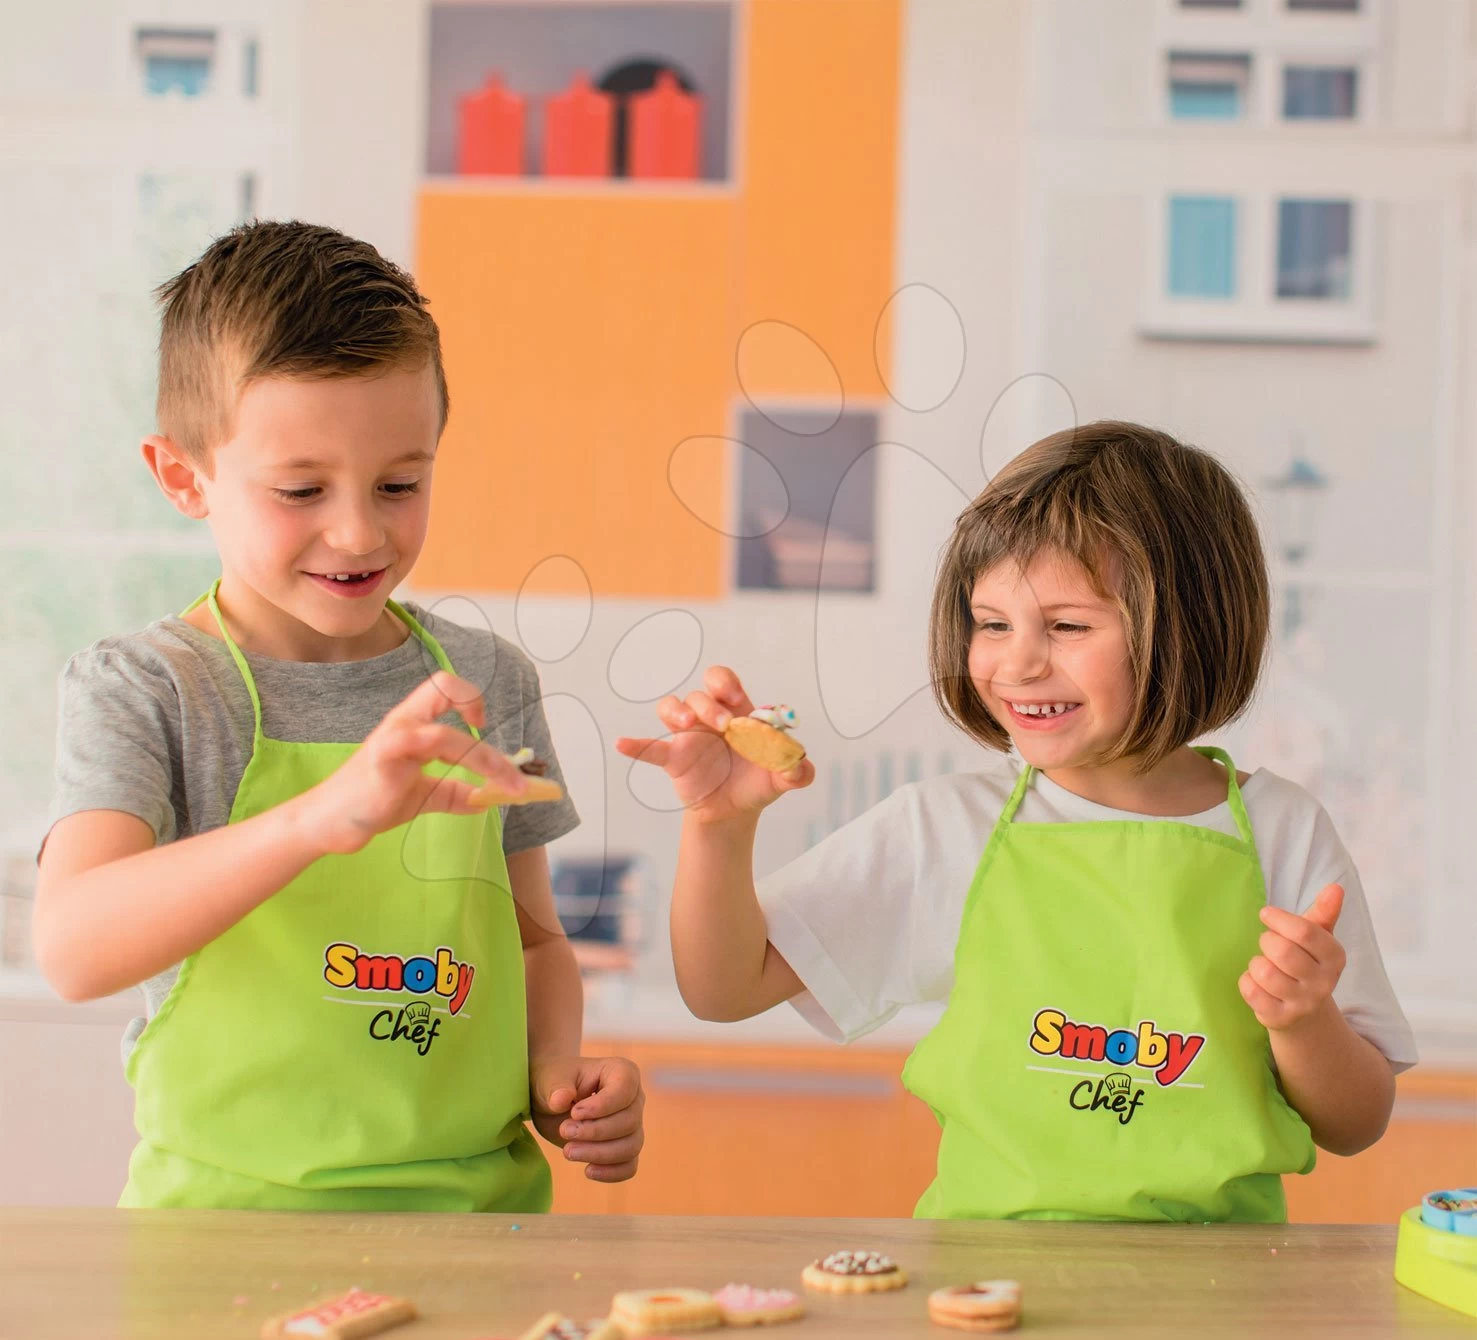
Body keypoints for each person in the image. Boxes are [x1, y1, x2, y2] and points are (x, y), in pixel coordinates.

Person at [621, 421, 1414, 1221]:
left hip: (1222, 1298)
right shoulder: (947, 826)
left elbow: (1354, 1123)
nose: (1017, 662)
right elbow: (723, 988)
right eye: (991, 623)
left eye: (1067, 626)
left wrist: (1304, 1021)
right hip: (986, 1280)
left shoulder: (1282, 831)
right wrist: (718, 825)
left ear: (1188, 627)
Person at [34, 220, 644, 1209]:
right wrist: (319, 819)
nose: (359, 530)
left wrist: (559, 1078)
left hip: (481, 1232)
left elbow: (530, 941)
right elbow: (72, 945)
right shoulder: (148, 688)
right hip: (220, 1238)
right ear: (185, 475)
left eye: (400, 482)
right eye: (300, 488)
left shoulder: (487, 676)